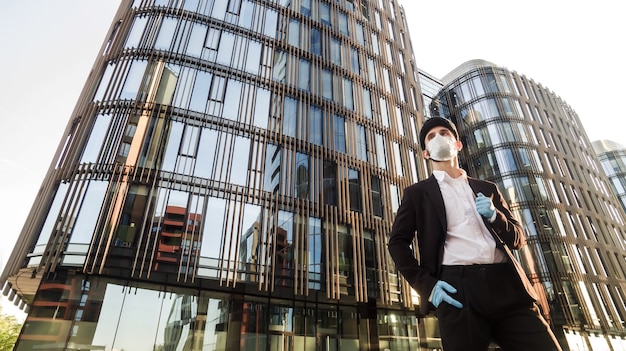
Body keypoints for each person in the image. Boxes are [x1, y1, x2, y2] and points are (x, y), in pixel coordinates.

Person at [388, 117, 561, 351]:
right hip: (457, 289)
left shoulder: (487, 189)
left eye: (444, 133)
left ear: (458, 145)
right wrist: (427, 286)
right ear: (425, 153)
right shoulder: (417, 194)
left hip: (507, 286)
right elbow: (397, 243)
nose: (438, 138)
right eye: (431, 137)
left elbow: (518, 239)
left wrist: (494, 216)